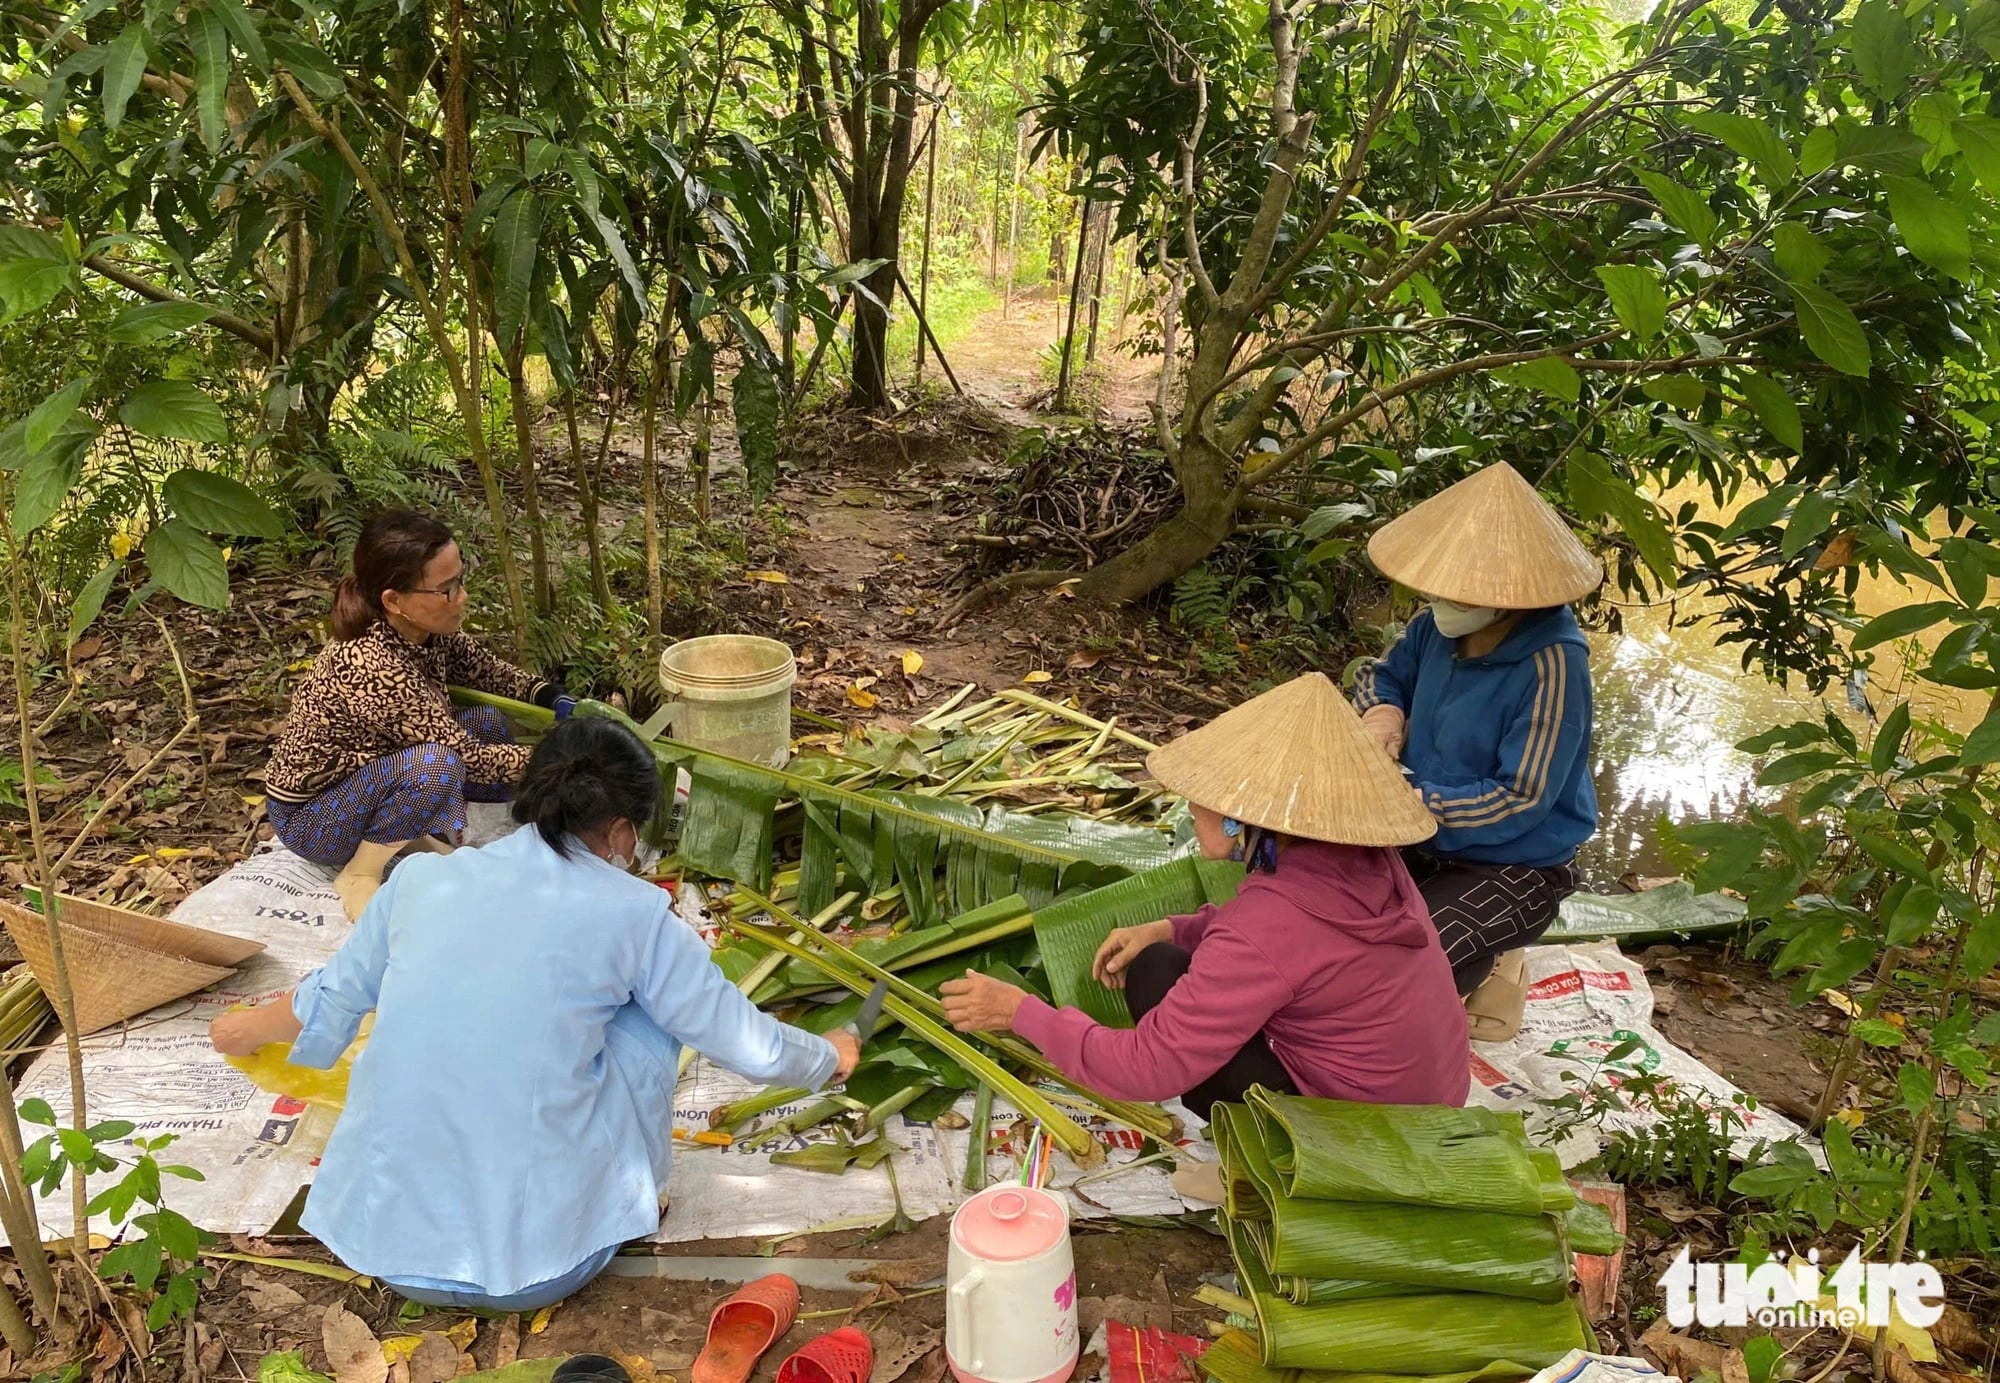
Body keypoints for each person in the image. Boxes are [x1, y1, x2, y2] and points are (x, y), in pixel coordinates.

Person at [211, 717, 863, 1312]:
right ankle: (640, 1197)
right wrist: (830, 1054)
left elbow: (332, 994)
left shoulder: (420, 881)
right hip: (546, 1265)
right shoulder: (635, 913)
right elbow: (742, 1040)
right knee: (649, 1013)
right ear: (622, 831)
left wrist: (242, 1028)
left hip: (384, 1249)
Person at [940, 673, 1468, 1118]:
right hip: (1431, 1099)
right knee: (1161, 957)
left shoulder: (1266, 924)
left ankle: (1269, 1162)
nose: (1191, 806)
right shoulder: (1365, 859)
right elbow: (1292, 947)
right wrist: (1172, 927)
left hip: (1364, 1129)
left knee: (1156, 979)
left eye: (1204, 797)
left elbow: (1148, 1067)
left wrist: (1020, 1014)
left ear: (1244, 814)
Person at [1352, 461, 1602, 996]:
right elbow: (1383, 676)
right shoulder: (1433, 628)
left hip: (1514, 861)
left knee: (1409, 960)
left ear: (1510, 596)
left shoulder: (1553, 667)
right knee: (1319, 910)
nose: (1442, 602)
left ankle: (1490, 969)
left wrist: (1408, 802)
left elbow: (1520, 798)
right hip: (1420, 830)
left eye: (1460, 594)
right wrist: (1382, 714)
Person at [263, 509, 576, 920]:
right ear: (394, 600)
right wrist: (568, 756)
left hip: (370, 775)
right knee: (440, 766)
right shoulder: (373, 665)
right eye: (446, 590)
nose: (461, 597)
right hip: (315, 816)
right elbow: (469, 760)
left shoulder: (424, 630)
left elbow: (484, 669)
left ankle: (407, 833)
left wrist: (549, 695)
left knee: (487, 723)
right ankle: (360, 872)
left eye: (460, 581)